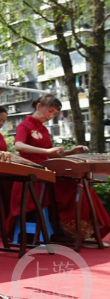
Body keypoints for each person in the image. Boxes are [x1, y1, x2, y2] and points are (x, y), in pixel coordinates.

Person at [13, 94, 110, 243]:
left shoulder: (44, 130)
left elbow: (53, 154)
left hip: (47, 172)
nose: (51, 116)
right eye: (50, 111)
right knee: (77, 189)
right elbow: (18, 145)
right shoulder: (24, 125)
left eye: (55, 114)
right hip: (33, 176)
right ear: (39, 107)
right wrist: (46, 152)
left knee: (83, 187)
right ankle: (78, 233)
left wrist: (72, 152)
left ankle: (87, 232)